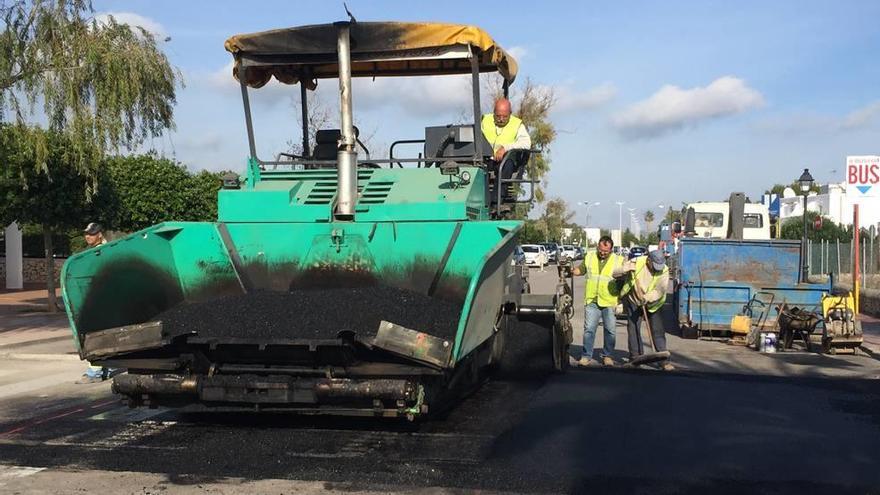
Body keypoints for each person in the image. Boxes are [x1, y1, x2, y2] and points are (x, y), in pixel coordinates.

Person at [613, 250, 674, 370]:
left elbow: (659, 291)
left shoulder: (664, 270)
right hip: (633, 300)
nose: (657, 269)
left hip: (653, 302)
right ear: (649, 260)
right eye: (655, 266)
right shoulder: (637, 262)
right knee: (633, 328)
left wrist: (646, 298)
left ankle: (663, 360)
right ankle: (635, 357)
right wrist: (625, 269)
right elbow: (614, 273)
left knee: (657, 331)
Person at [76, 222, 120, 384]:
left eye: (92, 233)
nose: (88, 236)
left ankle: (95, 372)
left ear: (100, 234)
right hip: (97, 300)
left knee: (96, 335)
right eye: (87, 233)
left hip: (105, 300)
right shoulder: (92, 252)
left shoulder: (106, 251)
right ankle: (108, 368)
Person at [571, 236, 623, 367]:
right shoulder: (589, 257)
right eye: (600, 249)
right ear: (598, 247)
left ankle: (607, 356)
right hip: (592, 300)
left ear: (611, 250)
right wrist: (571, 271)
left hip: (609, 301)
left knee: (610, 330)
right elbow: (581, 270)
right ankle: (586, 356)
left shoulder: (618, 260)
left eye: (606, 251)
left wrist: (621, 300)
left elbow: (623, 281)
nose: (602, 253)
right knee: (589, 329)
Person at [481, 98, 531, 162]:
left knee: (508, 163)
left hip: (505, 161)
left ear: (510, 113)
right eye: (498, 116)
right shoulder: (485, 121)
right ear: (494, 112)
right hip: (486, 160)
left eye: (505, 117)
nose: (501, 119)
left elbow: (526, 143)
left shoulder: (517, 125)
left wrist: (505, 148)